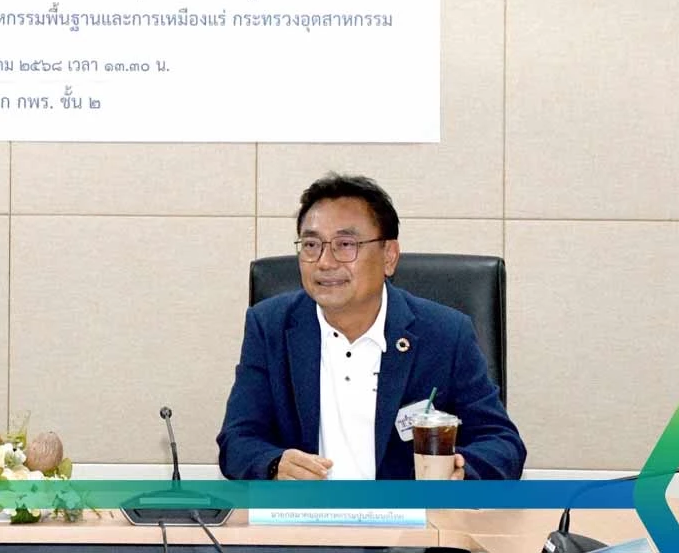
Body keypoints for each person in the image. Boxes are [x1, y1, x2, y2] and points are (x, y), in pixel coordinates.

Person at [217, 173, 525, 480]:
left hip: (408, 511)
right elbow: (238, 440)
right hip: (308, 509)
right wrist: (274, 464)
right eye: (311, 244)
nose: (324, 262)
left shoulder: (445, 334)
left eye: (345, 244)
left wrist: (460, 470)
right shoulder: (270, 326)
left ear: (389, 256)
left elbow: (502, 443)